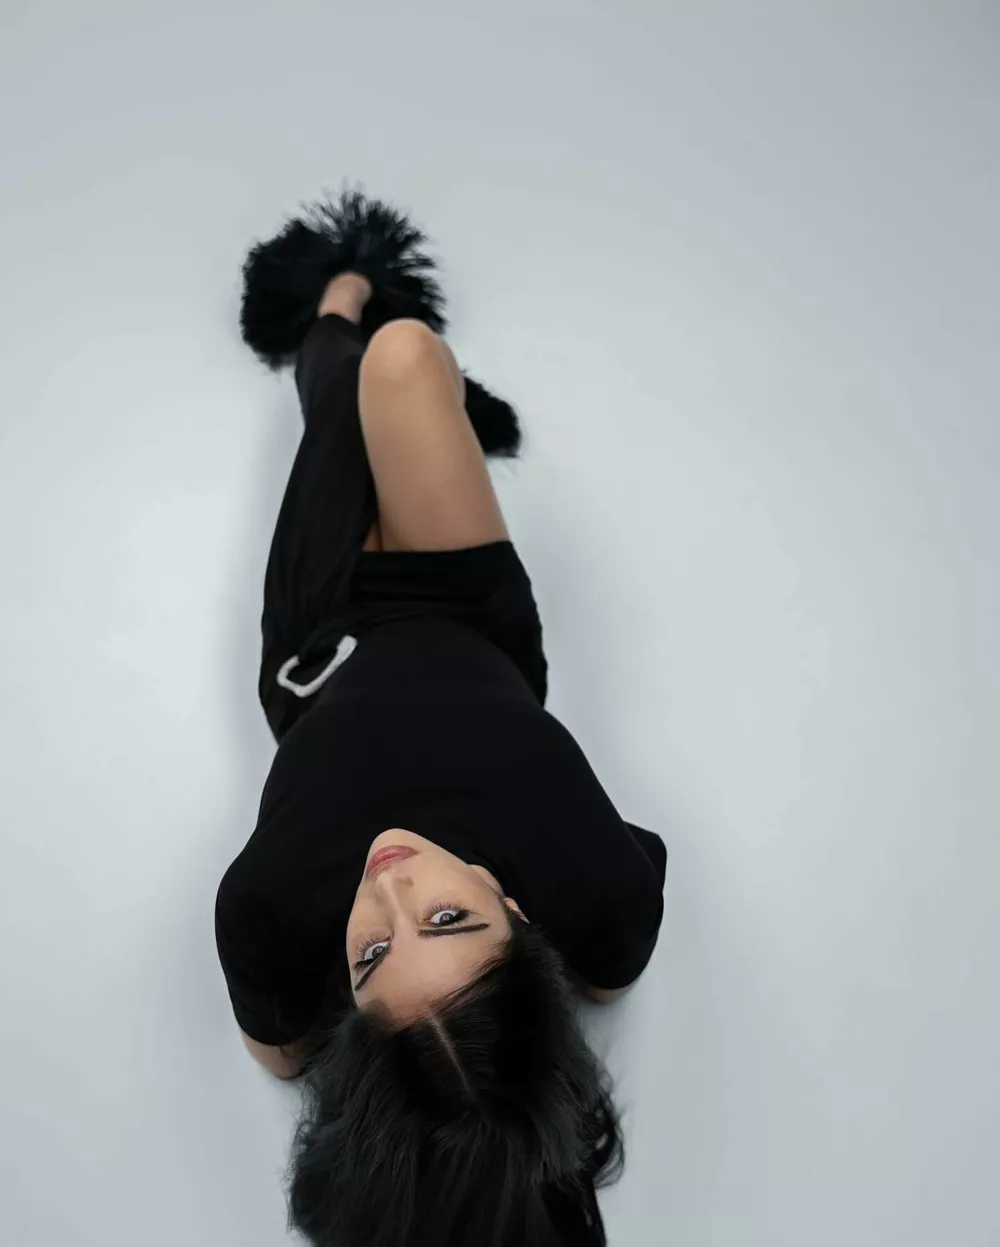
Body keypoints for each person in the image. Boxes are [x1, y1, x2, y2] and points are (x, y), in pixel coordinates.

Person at [215, 189, 668, 1247]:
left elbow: (280, 1054)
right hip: (471, 615)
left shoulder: (269, 920)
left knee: (345, 377)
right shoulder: (602, 900)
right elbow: (605, 972)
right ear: (518, 911)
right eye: (452, 920)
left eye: (371, 956)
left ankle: (332, 298)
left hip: (323, 637)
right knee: (409, 355)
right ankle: (423, 397)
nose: (391, 889)